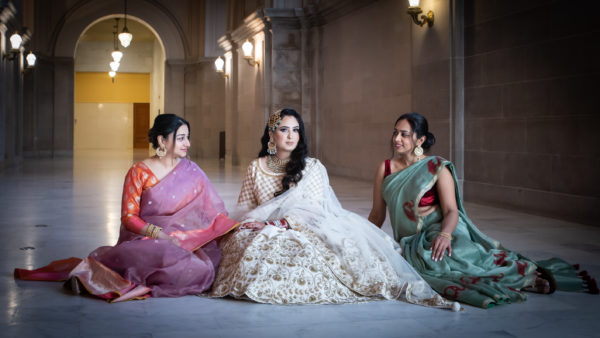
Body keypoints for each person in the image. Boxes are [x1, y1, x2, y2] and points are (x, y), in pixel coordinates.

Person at [210, 108, 459, 310]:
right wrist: (246, 224)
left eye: (296, 130)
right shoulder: (257, 167)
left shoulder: (312, 167)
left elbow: (314, 211)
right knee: (244, 240)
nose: (290, 135)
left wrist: (275, 224)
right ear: (271, 135)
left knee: (293, 247)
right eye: (283, 129)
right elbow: (245, 207)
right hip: (264, 226)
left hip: (303, 227)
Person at [368, 112, 598, 308]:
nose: (397, 139)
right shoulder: (385, 168)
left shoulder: (437, 167)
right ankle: (518, 277)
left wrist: (445, 234)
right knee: (433, 268)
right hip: (413, 242)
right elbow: (377, 214)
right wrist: (362, 241)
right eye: (395, 133)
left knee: (464, 260)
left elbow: (451, 211)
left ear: (421, 139)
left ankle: (522, 276)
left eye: (404, 134)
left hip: (445, 230)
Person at [14, 114, 239, 302]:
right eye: (181, 138)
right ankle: (106, 280)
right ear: (162, 140)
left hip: (184, 239)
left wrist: (222, 228)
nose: (187, 144)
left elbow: (213, 211)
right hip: (147, 239)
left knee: (203, 269)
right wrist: (158, 233)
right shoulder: (139, 172)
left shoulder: (193, 171)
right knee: (161, 254)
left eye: (187, 138)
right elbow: (128, 217)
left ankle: (140, 285)